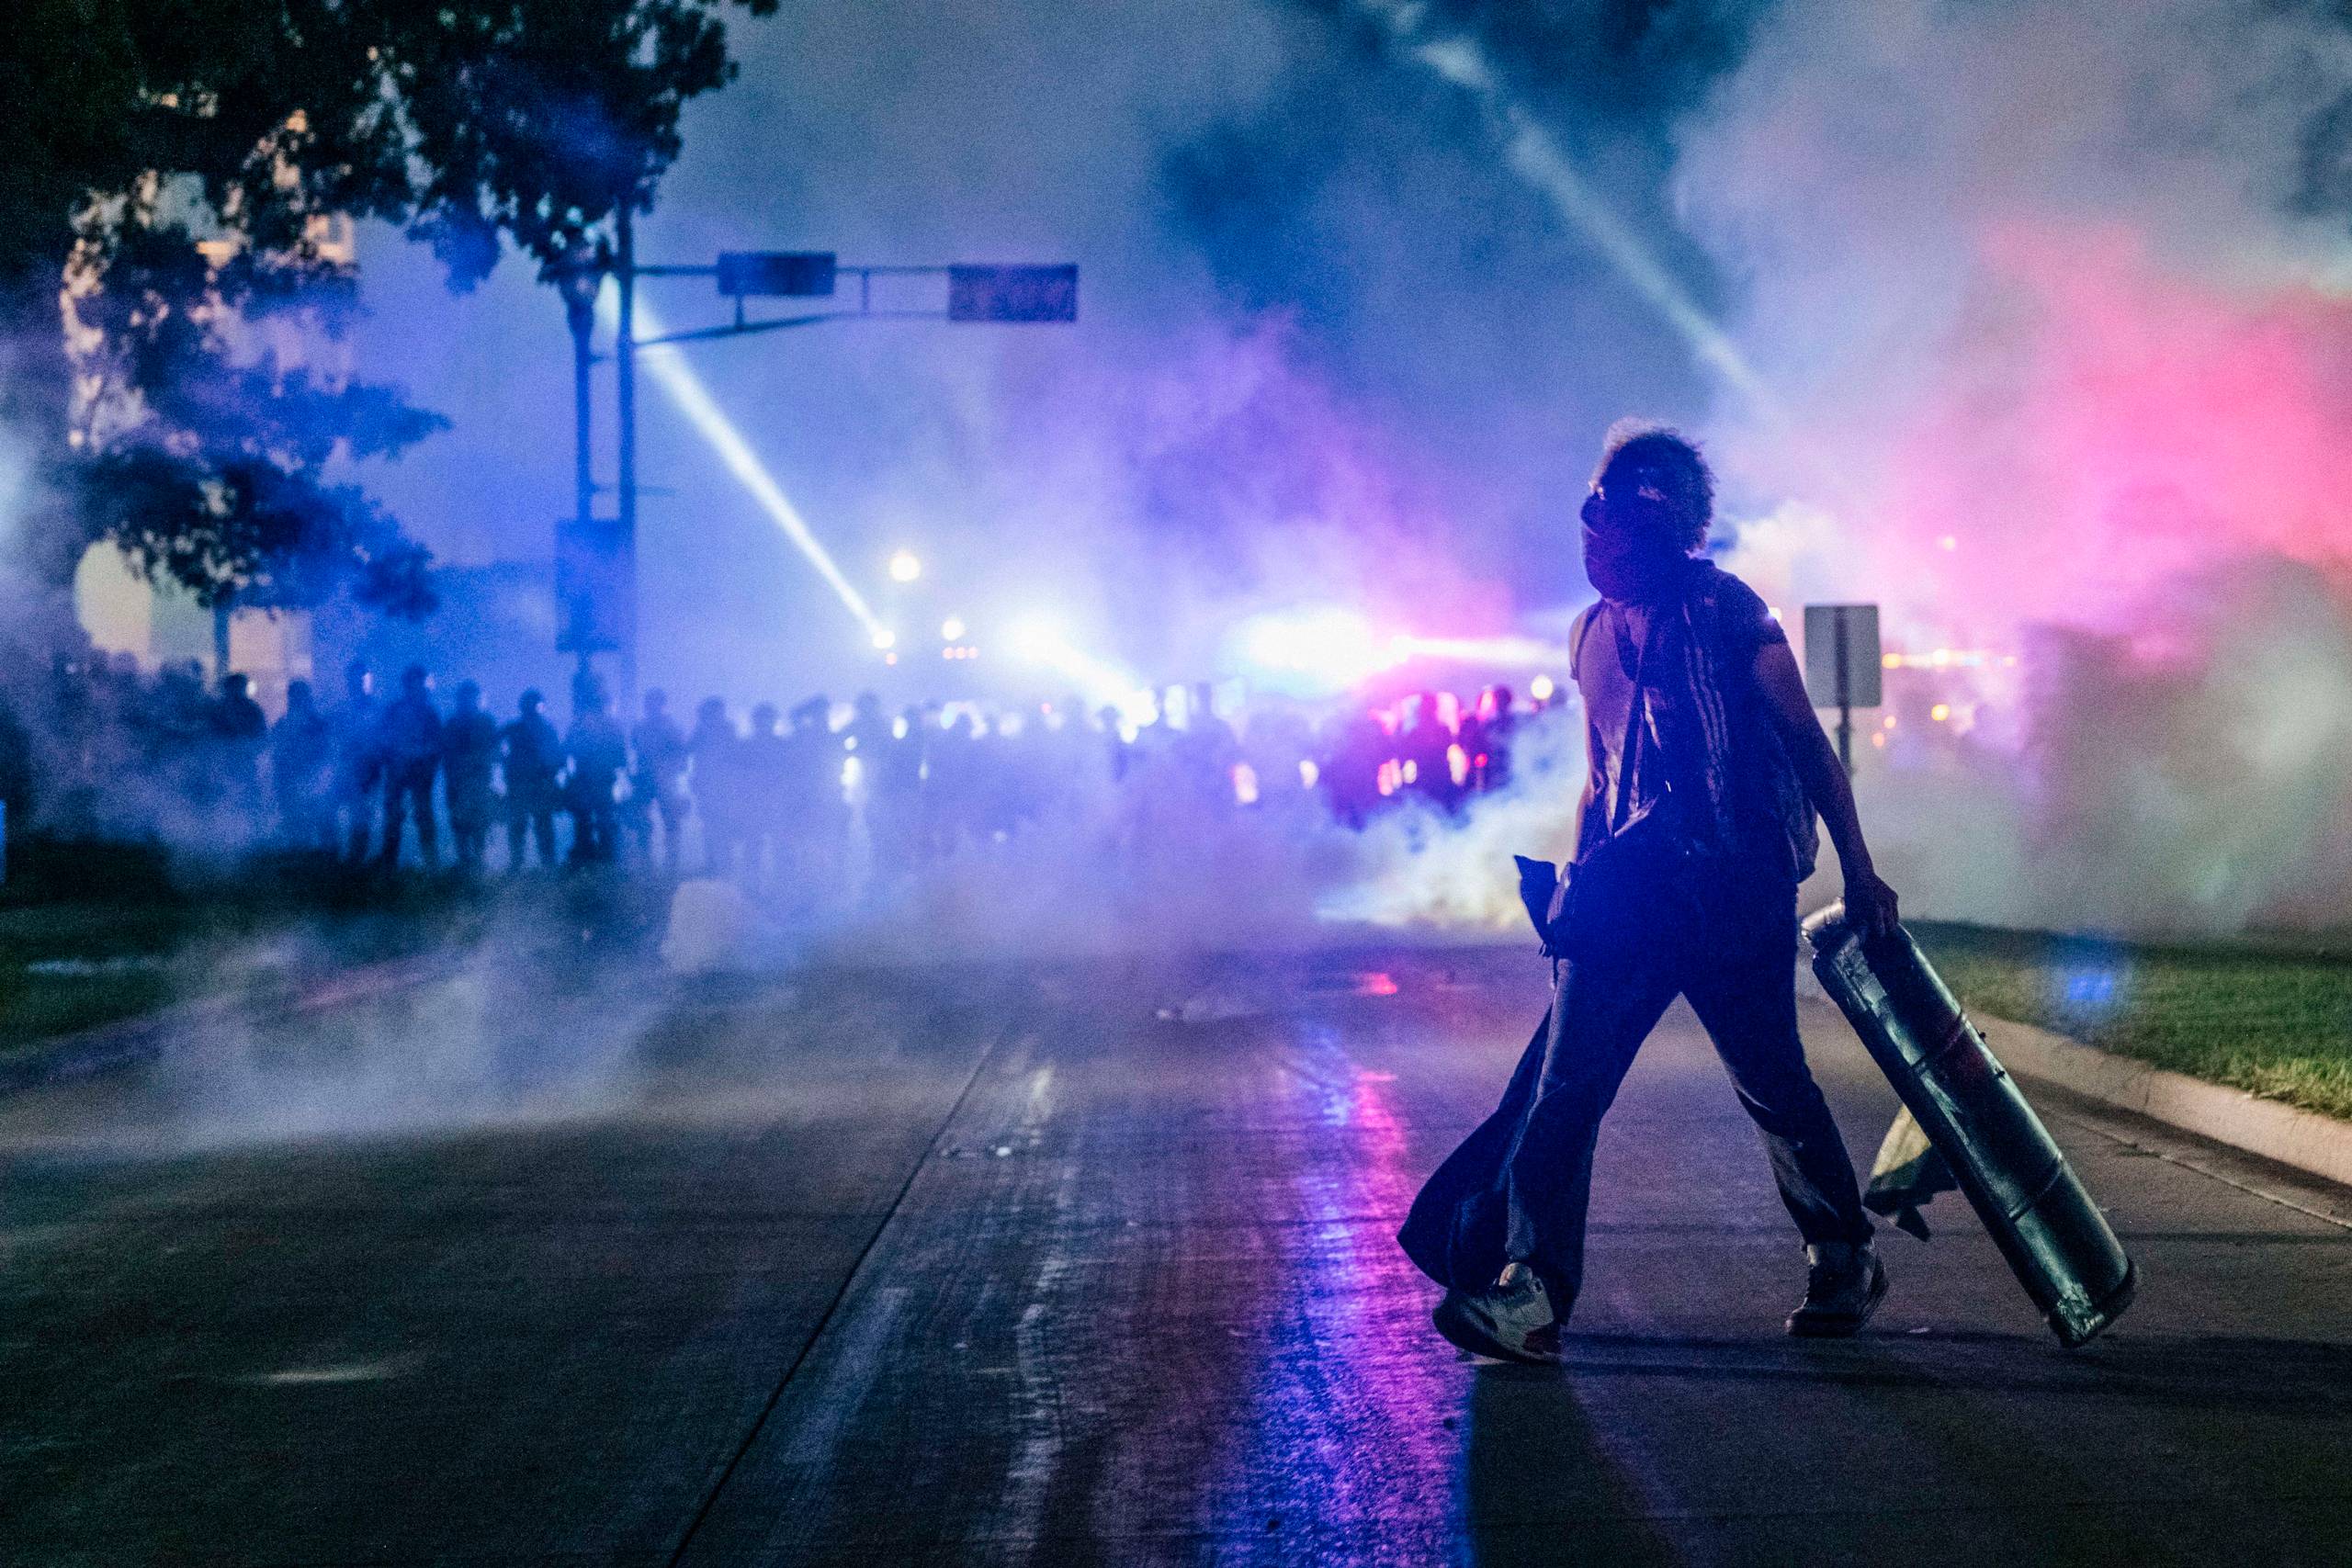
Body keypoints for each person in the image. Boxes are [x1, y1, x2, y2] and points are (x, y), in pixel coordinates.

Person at [1397, 422, 1903, 1362]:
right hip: (1628, 898)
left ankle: (1842, 1252)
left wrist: (1859, 866)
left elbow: (1805, 746)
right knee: (1563, 1092)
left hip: (1733, 893)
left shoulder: (1727, 613)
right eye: (1586, 510)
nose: (1590, 530)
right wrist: (1578, 887)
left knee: (1771, 1084)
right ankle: (1532, 1291)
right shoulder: (1590, 633)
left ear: (1664, 525)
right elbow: (1599, 775)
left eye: (1610, 514)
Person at [377, 664, 443, 868]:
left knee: (423, 814)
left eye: (419, 683)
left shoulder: (430, 712)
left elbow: (437, 743)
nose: (417, 687)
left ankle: (431, 862)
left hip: (420, 772)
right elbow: (384, 739)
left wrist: (425, 760)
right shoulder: (394, 709)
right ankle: (389, 861)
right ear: (406, 685)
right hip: (398, 770)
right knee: (393, 816)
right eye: (413, 683)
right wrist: (393, 758)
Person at [563, 687, 628, 865]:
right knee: (599, 818)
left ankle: (592, 855)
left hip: (592, 780)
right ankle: (603, 856)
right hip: (598, 780)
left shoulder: (581, 724)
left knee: (588, 819)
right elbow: (621, 756)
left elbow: (567, 751)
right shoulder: (611, 726)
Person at [628, 688, 690, 872]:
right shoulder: (641, 728)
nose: (651, 707)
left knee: (670, 822)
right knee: (643, 822)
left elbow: (681, 756)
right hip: (647, 779)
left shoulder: (671, 728)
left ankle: (671, 862)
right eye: (649, 704)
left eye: (654, 703)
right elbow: (637, 753)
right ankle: (647, 860)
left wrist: (669, 769)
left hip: (665, 780)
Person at [441, 680, 500, 872]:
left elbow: (494, 750)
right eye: (464, 697)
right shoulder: (452, 724)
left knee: (480, 821)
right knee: (459, 822)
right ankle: (465, 859)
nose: (468, 701)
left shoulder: (486, 722)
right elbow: (446, 752)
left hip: (479, 781)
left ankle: (479, 860)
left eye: (471, 697)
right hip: (458, 782)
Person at [501, 689, 562, 870]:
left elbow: (556, 756)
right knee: (521, 824)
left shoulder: (546, 729)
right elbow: (494, 745)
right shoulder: (514, 728)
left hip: (538, 783)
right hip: (521, 783)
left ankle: (546, 863)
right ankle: (521, 862)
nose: (533, 709)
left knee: (541, 824)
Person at [270, 678, 335, 851]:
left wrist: (315, 770)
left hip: (311, 775)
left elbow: (325, 749)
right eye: (294, 695)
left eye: (300, 695)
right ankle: (300, 852)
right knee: (294, 817)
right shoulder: (284, 722)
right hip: (289, 777)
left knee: (319, 815)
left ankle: (326, 856)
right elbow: (276, 747)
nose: (296, 699)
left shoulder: (318, 723)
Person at [329, 660, 382, 863]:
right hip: (345, 768)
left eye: (362, 677)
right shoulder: (341, 707)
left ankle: (355, 859)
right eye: (354, 678)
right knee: (329, 809)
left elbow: (380, 740)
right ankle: (332, 854)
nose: (357, 682)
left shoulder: (375, 708)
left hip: (367, 770)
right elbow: (333, 736)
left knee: (360, 815)